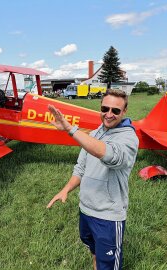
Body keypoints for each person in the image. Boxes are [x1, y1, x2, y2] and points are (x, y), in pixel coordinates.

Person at [47, 89, 139, 270]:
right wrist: (66, 189)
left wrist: (70, 129)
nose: (109, 114)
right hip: (86, 211)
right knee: (96, 255)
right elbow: (81, 167)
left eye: (116, 111)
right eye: (105, 108)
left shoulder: (129, 138)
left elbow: (108, 154)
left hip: (108, 217)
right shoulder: (97, 132)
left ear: (125, 111)